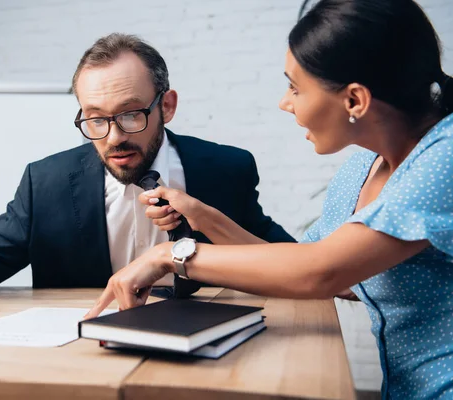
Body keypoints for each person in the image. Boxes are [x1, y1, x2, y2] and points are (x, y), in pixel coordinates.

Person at [85, 1, 453, 398]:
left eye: (296, 88)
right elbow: (296, 266)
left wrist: (168, 255)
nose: (285, 102)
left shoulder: (445, 159)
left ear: (355, 100)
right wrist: (204, 216)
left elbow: (320, 274)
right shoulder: (362, 169)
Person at [0, 33, 293, 294]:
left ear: (168, 106)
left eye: (130, 114)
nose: (115, 136)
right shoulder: (44, 182)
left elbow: (289, 263)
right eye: (95, 119)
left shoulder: (227, 168)